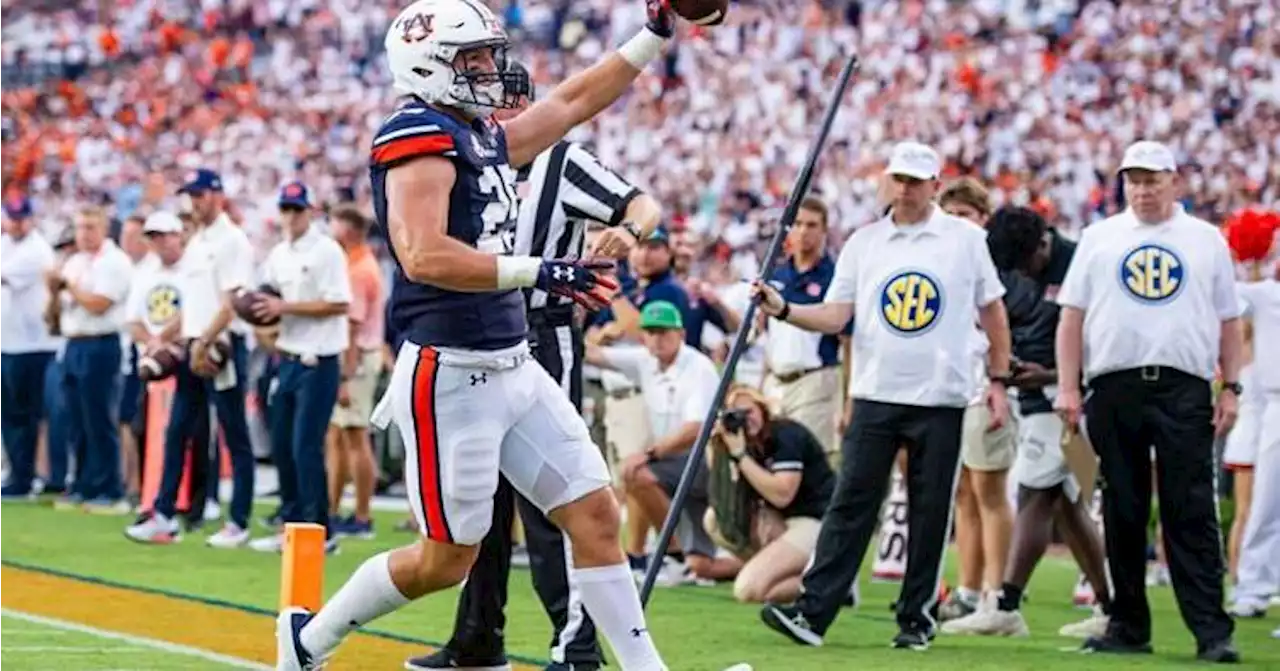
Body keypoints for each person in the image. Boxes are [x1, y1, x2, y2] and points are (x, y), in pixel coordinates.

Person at [273, 0, 691, 668]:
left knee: (595, 514)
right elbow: (424, 255)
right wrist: (541, 270)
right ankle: (309, 639)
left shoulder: (478, 132)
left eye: (486, 54)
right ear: (428, 65)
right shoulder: (416, 133)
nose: (489, 69)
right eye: (471, 58)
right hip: (452, 375)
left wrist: (655, 32)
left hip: (514, 365)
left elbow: (573, 101)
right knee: (447, 560)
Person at [406, 61, 662, 671]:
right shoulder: (464, 159)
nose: (504, 108)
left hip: (543, 337)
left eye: (513, 97)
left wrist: (627, 233)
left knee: (554, 497)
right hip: (475, 342)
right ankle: (477, 635)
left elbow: (642, 205)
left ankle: (574, 644)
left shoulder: (561, 162)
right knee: (479, 506)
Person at [752, 141, 1012, 650]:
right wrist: (783, 308)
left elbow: (993, 312)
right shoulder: (865, 242)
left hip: (940, 394)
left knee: (930, 508)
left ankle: (916, 619)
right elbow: (835, 315)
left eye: (916, 181)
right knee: (851, 503)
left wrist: (998, 380)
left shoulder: (964, 239)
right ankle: (812, 613)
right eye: (899, 179)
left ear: (935, 185)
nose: (906, 189)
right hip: (875, 391)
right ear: (885, 181)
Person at [1054, 140, 1241, 662]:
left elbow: (1228, 319)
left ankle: (1211, 630)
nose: (1142, 189)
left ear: (1173, 182)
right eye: (1134, 180)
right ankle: (1128, 623)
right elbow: (1072, 317)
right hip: (1115, 385)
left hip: (1183, 384)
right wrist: (1069, 386)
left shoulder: (1204, 240)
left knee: (1192, 507)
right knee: (1122, 507)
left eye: (1152, 179)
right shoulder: (1099, 237)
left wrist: (1231, 386)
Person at [940, 206, 1111, 639]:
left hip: (1070, 403)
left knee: (1036, 493)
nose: (1022, 275)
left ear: (1042, 245)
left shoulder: (1081, 263)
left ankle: (1006, 604)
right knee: (1069, 508)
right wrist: (1011, 368)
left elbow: (1104, 341)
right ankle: (1113, 609)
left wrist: (1053, 375)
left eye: (1025, 265)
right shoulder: (1014, 263)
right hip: (1035, 398)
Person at [587, 300, 737, 585]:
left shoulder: (698, 367)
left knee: (635, 470)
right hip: (679, 464)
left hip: (706, 461)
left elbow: (695, 429)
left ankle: (673, 553)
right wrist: (594, 335)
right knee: (702, 566)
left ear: (680, 334)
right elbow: (591, 354)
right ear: (644, 336)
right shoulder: (646, 359)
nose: (657, 339)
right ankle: (689, 560)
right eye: (651, 332)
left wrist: (650, 454)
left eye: (664, 332)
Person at [929, 178, 1017, 621]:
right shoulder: (943, 264)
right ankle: (967, 588)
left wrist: (999, 381)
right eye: (951, 215)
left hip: (987, 386)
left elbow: (1003, 326)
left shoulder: (996, 265)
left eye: (966, 215)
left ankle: (994, 594)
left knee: (990, 491)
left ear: (983, 219)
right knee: (962, 492)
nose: (958, 224)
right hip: (954, 386)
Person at [246, 183, 351, 553]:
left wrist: (282, 309)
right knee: (282, 443)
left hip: (318, 359)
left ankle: (320, 529)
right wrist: (260, 317)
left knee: (306, 445)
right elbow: (267, 294)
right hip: (287, 356)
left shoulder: (327, 251)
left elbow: (339, 303)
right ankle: (291, 525)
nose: (290, 217)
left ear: (310, 212)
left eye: (296, 210)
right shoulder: (278, 253)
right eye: (285, 210)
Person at [157, 168, 257, 548]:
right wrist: (164, 337)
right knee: (178, 430)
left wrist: (204, 342)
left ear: (217, 195)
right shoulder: (196, 240)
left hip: (221, 347)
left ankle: (239, 521)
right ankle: (163, 514)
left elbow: (233, 303)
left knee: (233, 434)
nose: (194, 202)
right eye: (190, 195)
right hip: (194, 343)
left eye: (199, 195)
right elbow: (194, 301)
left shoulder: (232, 240)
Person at [705, 385, 835, 604]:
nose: (745, 420)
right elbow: (724, 496)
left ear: (763, 409)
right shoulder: (743, 442)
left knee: (748, 590)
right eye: (736, 415)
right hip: (783, 521)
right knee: (714, 518)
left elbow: (782, 495)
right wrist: (718, 449)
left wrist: (740, 455)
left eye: (749, 412)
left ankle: (834, 583)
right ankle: (786, 575)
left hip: (818, 520)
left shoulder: (784, 434)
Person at [48, 206, 135, 514]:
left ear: (103, 229)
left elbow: (99, 304)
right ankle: (83, 483)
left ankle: (109, 487)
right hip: (73, 342)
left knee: (99, 417)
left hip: (101, 343)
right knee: (75, 418)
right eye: (80, 228)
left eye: (90, 228)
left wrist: (69, 287)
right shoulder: (75, 262)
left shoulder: (114, 262)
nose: (83, 235)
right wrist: (54, 294)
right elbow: (55, 317)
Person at [760, 197, 851, 465]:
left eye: (811, 225)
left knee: (812, 459)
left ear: (824, 230)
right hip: (777, 379)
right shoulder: (776, 274)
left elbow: (847, 341)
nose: (803, 231)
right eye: (797, 224)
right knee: (775, 458)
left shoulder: (834, 277)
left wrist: (847, 401)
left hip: (815, 378)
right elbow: (770, 337)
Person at [121, 211, 191, 542]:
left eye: (165, 235)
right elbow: (133, 320)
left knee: (188, 434)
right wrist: (152, 345)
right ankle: (152, 501)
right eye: (154, 237)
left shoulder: (191, 270)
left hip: (187, 360)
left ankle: (186, 504)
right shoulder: (144, 274)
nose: (160, 243)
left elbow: (194, 312)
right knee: (147, 433)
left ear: (180, 235)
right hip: (152, 365)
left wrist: (163, 342)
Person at [326, 205, 386, 541]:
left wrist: (346, 377)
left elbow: (352, 326)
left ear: (348, 228)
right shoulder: (358, 264)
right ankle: (337, 509)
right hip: (361, 356)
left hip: (358, 358)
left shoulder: (359, 270)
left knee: (355, 435)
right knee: (341, 434)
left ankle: (362, 515)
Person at [1227, 264, 1280, 619]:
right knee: (1266, 501)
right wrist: (1249, 257)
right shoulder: (1265, 293)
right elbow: (1224, 295)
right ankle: (1253, 588)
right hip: (1276, 403)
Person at [0, 195, 58, 499]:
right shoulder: (8, 244)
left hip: (31, 344)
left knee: (24, 413)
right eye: (12, 217)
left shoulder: (36, 250)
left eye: (21, 218)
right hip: (8, 341)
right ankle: (16, 473)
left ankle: (24, 476)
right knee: (10, 414)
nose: (16, 223)